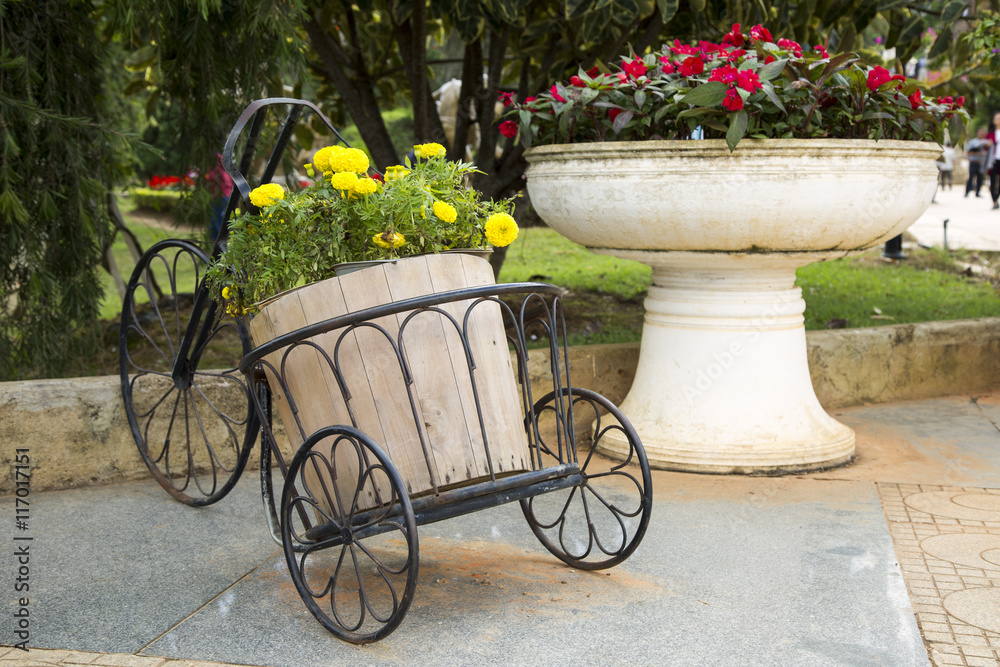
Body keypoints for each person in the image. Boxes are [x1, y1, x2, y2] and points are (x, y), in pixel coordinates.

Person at [965, 127, 989, 197]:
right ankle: (967, 192)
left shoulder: (986, 142)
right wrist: (977, 154)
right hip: (973, 162)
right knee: (971, 177)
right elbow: (968, 152)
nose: (981, 134)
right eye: (980, 133)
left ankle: (977, 192)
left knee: (980, 178)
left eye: (983, 133)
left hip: (981, 163)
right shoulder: (973, 142)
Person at [989, 111, 1000, 209]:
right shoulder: (990, 134)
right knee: (992, 181)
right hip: (993, 160)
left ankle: (997, 197)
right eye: (997, 118)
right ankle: (994, 201)